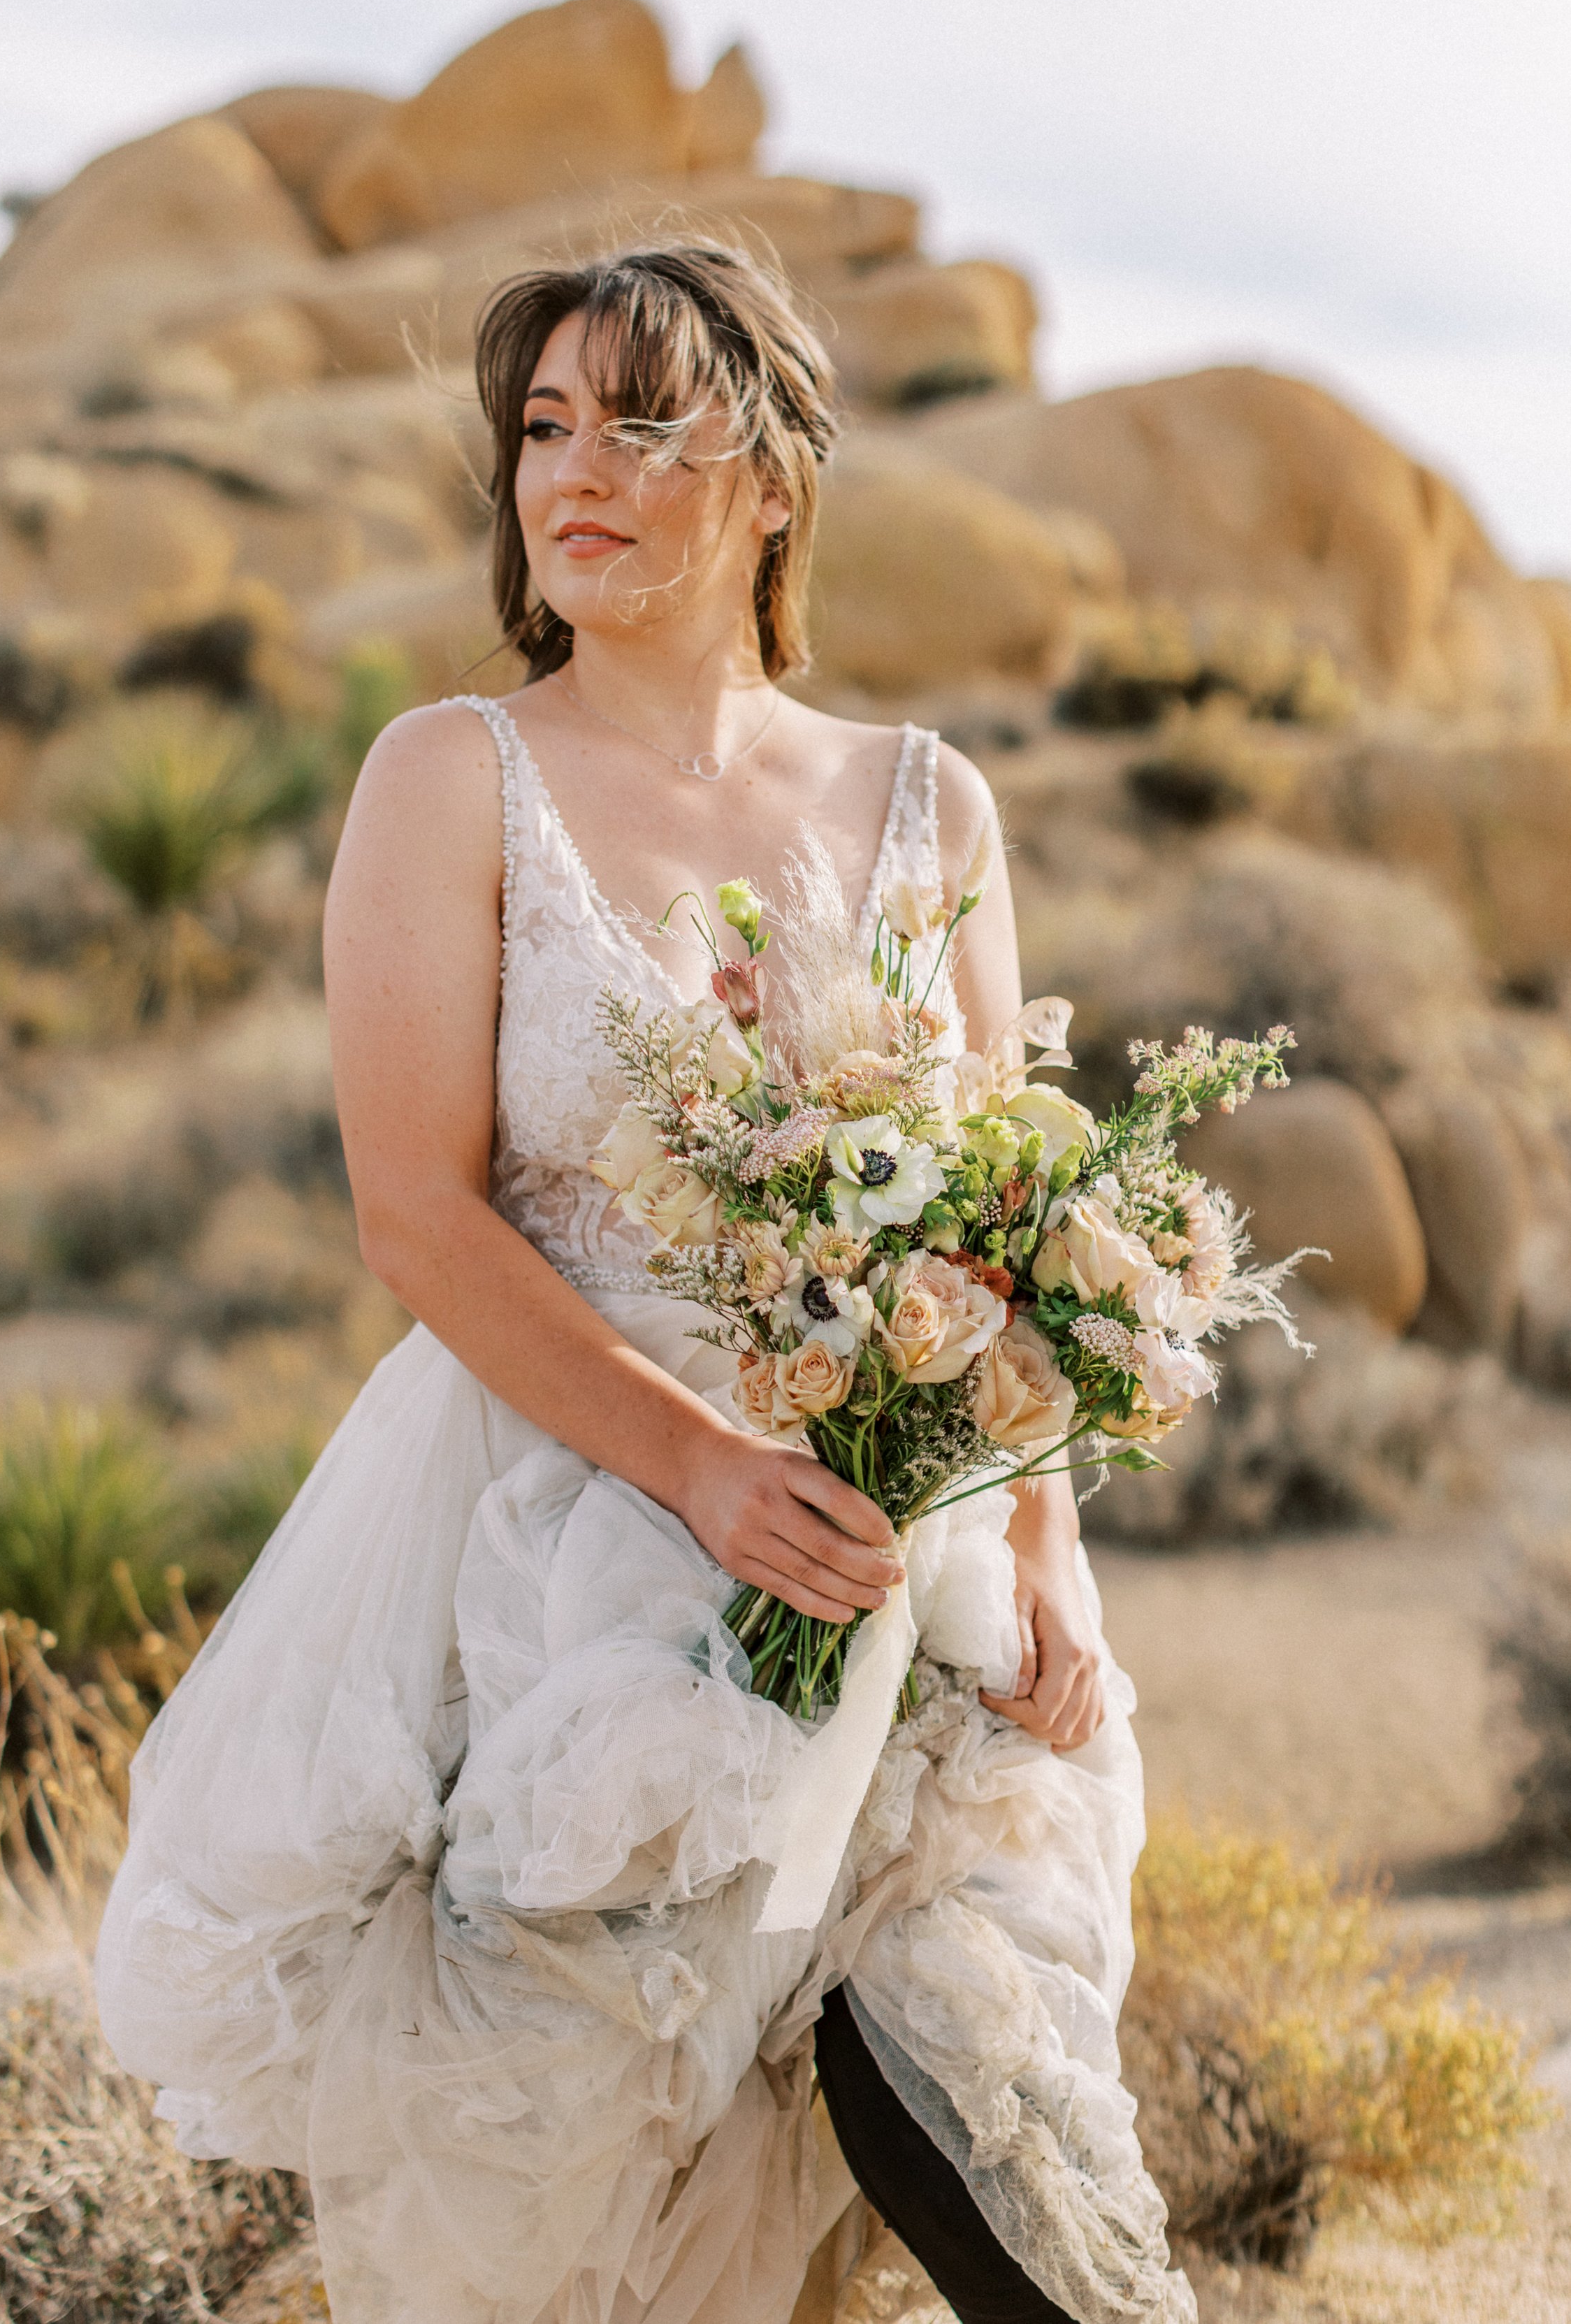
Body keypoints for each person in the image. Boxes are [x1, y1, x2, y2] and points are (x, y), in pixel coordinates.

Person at [96, 241, 1194, 2324]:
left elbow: (1003, 1223)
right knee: (616, 2191)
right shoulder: (448, 774)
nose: (569, 473)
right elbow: (416, 1215)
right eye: (538, 428)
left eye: (638, 421)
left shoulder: (928, 803)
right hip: (577, 1556)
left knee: (990, 2091)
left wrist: (1046, 1543)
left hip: (913, 1554)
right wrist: (698, 1470)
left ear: (774, 477)